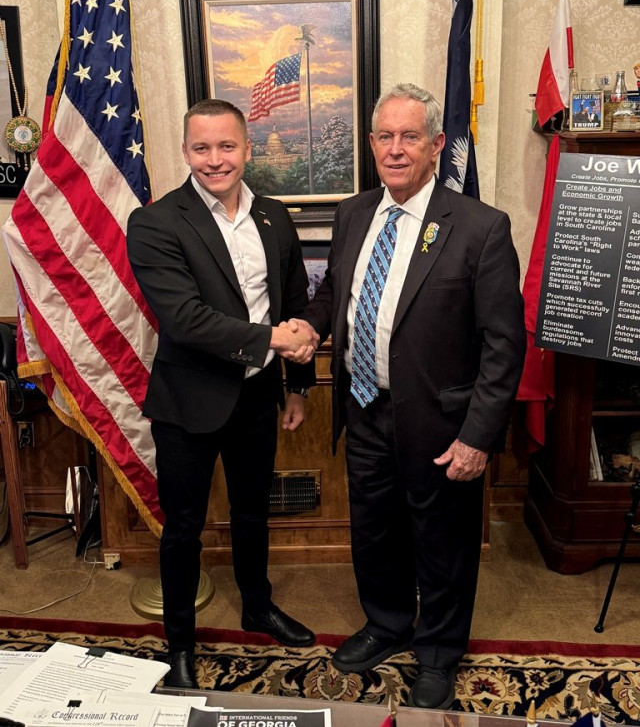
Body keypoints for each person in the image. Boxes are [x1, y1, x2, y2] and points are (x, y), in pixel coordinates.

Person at [291, 83, 526, 709]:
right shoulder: (353, 213)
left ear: (436, 144)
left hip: (442, 422)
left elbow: (504, 345)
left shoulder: (480, 227)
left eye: (410, 137)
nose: (396, 149)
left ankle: (439, 652)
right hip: (364, 407)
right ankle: (388, 624)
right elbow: (335, 292)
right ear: (371, 144)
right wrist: (309, 325)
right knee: (374, 531)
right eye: (385, 137)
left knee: (443, 542)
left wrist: (478, 437)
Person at [127, 98, 319, 689]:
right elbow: (185, 320)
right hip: (189, 401)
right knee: (183, 527)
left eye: (227, 146)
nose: (215, 160)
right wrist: (276, 340)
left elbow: (292, 302)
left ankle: (257, 607)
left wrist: (297, 386)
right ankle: (180, 644)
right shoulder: (156, 223)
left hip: (258, 395)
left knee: (252, 512)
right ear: (186, 152)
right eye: (202, 148)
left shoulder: (274, 217)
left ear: (247, 149)